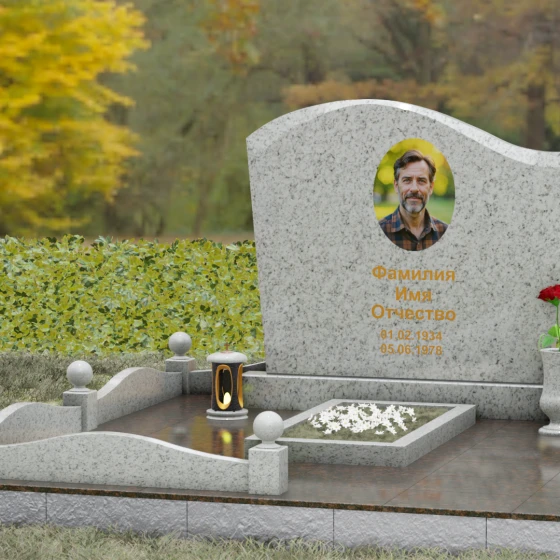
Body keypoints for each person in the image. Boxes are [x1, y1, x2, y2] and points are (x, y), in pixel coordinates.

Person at [378, 149, 448, 251]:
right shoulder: (379, 232)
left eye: (421, 181)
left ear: (431, 187)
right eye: (407, 180)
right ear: (396, 186)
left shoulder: (445, 232)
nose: (414, 188)